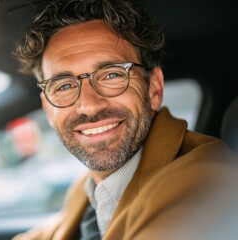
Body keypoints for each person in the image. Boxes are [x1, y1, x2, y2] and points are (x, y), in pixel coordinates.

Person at [12, 0, 238, 239]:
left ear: (154, 88)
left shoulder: (206, 184)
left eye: (111, 75)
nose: (88, 105)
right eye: (64, 85)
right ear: (48, 109)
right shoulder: (88, 187)